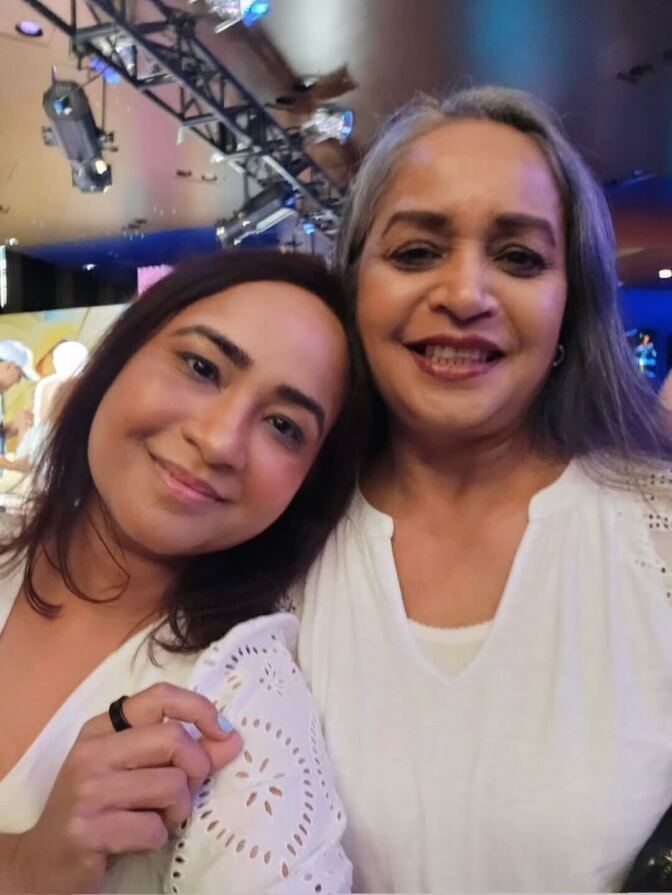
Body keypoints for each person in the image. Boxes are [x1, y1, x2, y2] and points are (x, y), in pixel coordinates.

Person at [294, 86, 672, 893]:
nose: (466, 295)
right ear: (354, 284)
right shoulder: (273, 549)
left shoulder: (658, 535)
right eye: (418, 252)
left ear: (571, 306)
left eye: (520, 258)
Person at [0, 249, 362, 894]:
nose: (220, 440)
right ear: (119, 357)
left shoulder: (239, 710)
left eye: (283, 425)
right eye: (201, 367)